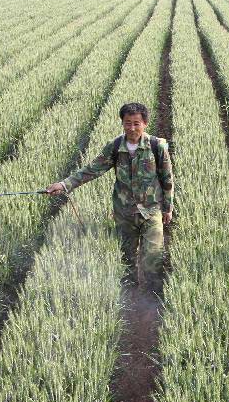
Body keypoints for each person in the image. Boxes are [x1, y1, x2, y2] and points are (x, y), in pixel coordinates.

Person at [46, 102, 173, 292]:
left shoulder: (157, 146)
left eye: (136, 123)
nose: (132, 128)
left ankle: (153, 296)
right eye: (127, 123)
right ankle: (130, 295)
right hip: (124, 212)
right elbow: (92, 170)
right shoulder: (114, 147)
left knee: (153, 255)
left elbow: (167, 178)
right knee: (127, 256)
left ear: (145, 123)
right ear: (122, 123)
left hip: (151, 209)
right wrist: (65, 184)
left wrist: (168, 208)